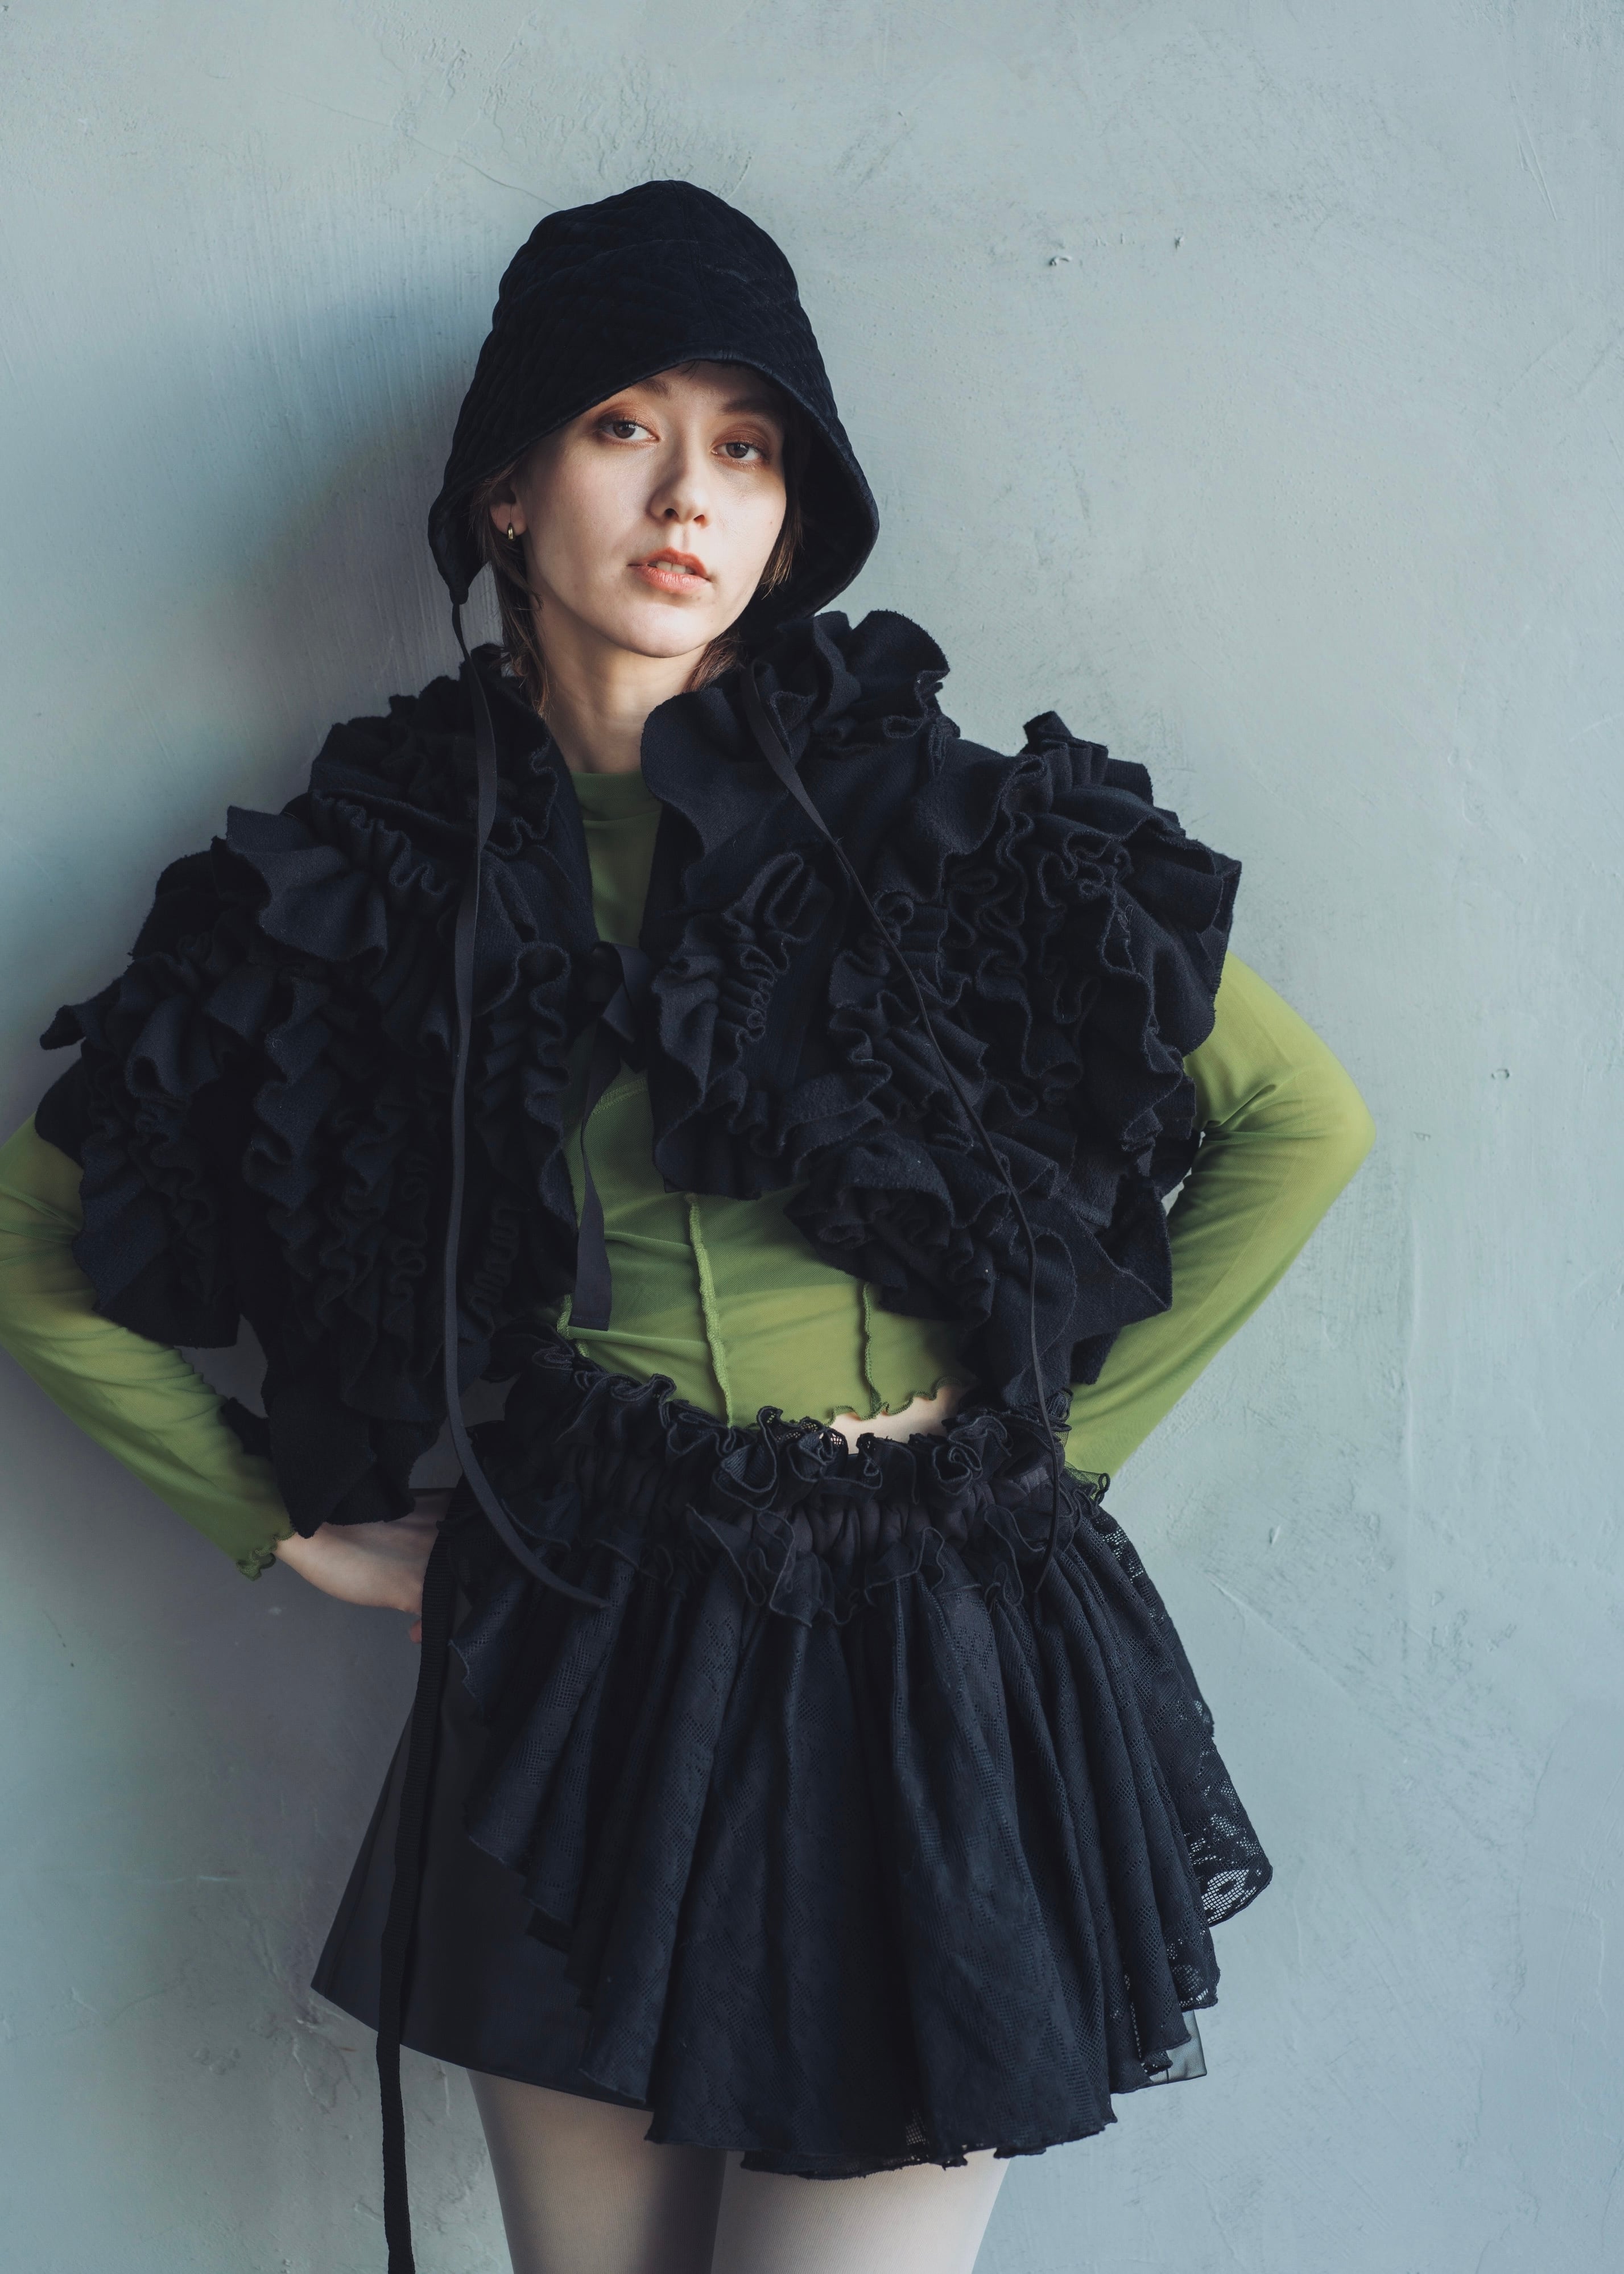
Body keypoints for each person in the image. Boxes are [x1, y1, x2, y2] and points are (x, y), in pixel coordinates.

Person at [0, 181, 1374, 2274]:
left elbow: (1300, 1121)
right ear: (506, 491)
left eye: (748, 449)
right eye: (624, 428)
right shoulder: (378, 864)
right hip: (585, 1650)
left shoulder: (935, 817)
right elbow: (36, 1235)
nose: (689, 497)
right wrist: (282, 1524)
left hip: (925, 1661)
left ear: (794, 522)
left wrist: (1042, 1462)